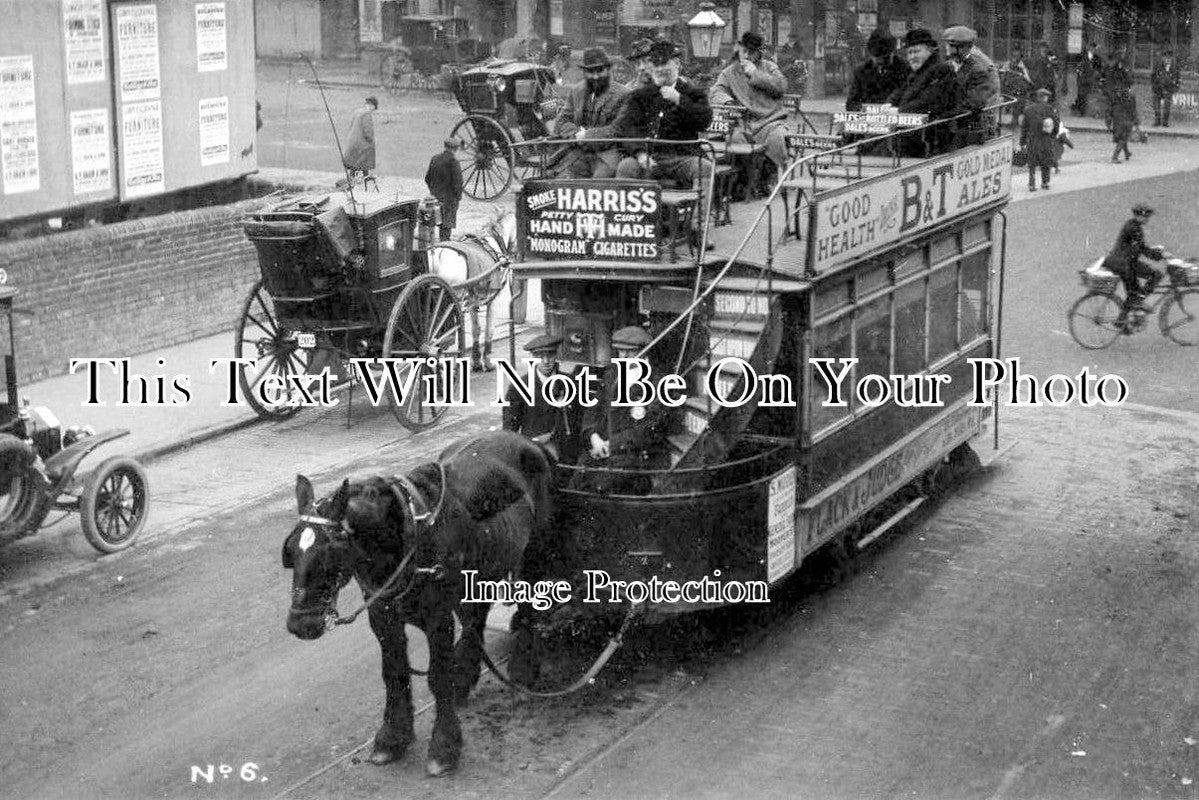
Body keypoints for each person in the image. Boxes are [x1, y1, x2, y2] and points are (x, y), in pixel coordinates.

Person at [578, 325, 672, 494]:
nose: (624, 357)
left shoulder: (658, 382)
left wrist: (610, 444)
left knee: (598, 488)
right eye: (620, 351)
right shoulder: (611, 375)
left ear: (645, 351)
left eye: (630, 352)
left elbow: (649, 429)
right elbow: (592, 411)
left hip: (637, 456)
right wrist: (594, 437)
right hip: (604, 450)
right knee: (576, 481)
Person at [612, 39, 713, 189]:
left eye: (664, 64)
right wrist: (640, 153)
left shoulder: (692, 93)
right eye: (656, 64)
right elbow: (627, 126)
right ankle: (628, 213)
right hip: (649, 157)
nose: (659, 69)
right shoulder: (640, 96)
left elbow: (705, 120)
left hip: (683, 157)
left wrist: (679, 100)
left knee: (704, 168)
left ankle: (700, 212)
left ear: (677, 64)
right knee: (626, 167)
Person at [709, 31, 789, 176]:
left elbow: (781, 87)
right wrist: (727, 101)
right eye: (744, 51)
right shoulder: (729, 72)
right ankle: (748, 177)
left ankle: (775, 176)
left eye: (751, 52)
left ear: (759, 53)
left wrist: (755, 74)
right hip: (743, 124)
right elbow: (716, 92)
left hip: (770, 122)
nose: (746, 56)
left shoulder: (769, 67)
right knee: (734, 139)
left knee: (776, 139)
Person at [502, 334, 583, 464]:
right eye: (540, 356)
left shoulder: (571, 383)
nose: (545, 361)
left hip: (567, 454)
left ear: (556, 355)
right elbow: (510, 426)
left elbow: (581, 419)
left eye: (550, 355)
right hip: (534, 453)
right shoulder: (520, 386)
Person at [551, 46, 629, 178]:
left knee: (597, 185)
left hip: (608, 155)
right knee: (561, 181)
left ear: (608, 69)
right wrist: (576, 133)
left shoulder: (623, 94)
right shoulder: (577, 91)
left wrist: (587, 135)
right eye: (590, 71)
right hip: (579, 152)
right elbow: (562, 121)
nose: (595, 76)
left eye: (600, 70)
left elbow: (619, 129)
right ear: (584, 72)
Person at [887, 28, 960, 156]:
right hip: (912, 136)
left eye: (916, 51)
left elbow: (929, 101)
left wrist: (898, 111)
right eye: (909, 53)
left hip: (932, 140)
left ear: (929, 50)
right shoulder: (917, 72)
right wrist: (889, 103)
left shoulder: (941, 70)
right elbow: (900, 91)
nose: (912, 57)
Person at [1104, 205, 1163, 323]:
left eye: (1147, 216)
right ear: (1138, 216)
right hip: (1124, 264)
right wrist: (1158, 255)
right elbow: (1140, 248)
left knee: (1133, 293)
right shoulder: (1134, 228)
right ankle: (1139, 301)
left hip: (1120, 262)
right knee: (1156, 275)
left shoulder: (1132, 225)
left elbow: (1139, 247)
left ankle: (1121, 322)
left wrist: (1154, 252)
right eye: (1145, 216)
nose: (1147, 219)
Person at [942, 25, 1000, 146]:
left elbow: (974, 102)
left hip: (968, 130)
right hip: (948, 125)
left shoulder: (979, 70)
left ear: (962, 49)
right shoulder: (947, 66)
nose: (946, 48)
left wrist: (945, 112)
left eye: (950, 46)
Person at [846, 28, 908, 111]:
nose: (881, 61)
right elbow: (851, 103)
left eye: (885, 57)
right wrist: (866, 110)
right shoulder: (862, 71)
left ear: (893, 52)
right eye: (877, 57)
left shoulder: (905, 69)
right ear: (871, 54)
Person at [424, 138, 464, 241]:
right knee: (445, 229)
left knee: (431, 226)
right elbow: (458, 184)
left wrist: (433, 191)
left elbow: (427, 178)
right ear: (455, 149)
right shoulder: (453, 162)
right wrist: (457, 198)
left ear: (445, 146)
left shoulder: (435, 158)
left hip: (435, 199)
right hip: (449, 201)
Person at [1019, 87, 1059, 191]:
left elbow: (1024, 127)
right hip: (1046, 139)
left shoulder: (1029, 110)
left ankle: (1032, 184)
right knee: (1046, 161)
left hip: (1033, 139)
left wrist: (1022, 141)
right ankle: (1045, 183)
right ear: (1045, 98)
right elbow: (1056, 124)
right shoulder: (1050, 109)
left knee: (1032, 162)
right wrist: (1053, 135)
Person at [343, 96, 378, 180]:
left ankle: (354, 174)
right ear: (372, 106)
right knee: (369, 149)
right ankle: (366, 174)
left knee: (354, 160)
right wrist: (372, 140)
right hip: (360, 144)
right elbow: (368, 132)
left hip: (352, 141)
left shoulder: (357, 112)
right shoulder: (367, 114)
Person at [1151, 48, 1181, 127]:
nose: (1167, 59)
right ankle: (1157, 121)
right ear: (1162, 58)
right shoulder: (1158, 66)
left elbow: (1178, 78)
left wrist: (1175, 88)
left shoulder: (1174, 67)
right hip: (1158, 88)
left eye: (1169, 57)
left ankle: (1165, 122)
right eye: (1165, 57)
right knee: (1156, 106)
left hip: (1168, 89)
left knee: (1167, 106)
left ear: (1171, 59)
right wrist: (1154, 86)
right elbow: (1153, 76)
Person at [1109, 83, 1138, 163]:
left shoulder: (1116, 97)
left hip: (1117, 120)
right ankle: (1115, 157)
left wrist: (1109, 121)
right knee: (1123, 138)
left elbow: (1110, 109)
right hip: (1125, 120)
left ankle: (1127, 153)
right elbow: (1133, 110)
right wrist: (1136, 121)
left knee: (1122, 137)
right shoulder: (1131, 98)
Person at [1072, 41, 1103, 117]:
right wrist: (1080, 75)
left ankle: (1089, 111)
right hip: (1083, 79)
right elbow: (1077, 68)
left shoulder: (1097, 58)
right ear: (1088, 47)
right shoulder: (1081, 56)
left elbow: (1100, 69)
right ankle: (1081, 111)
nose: (1092, 49)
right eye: (1091, 47)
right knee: (1081, 94)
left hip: (1092, 79)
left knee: (1090, 94)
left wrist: (1097, 74)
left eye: (1094, 48)